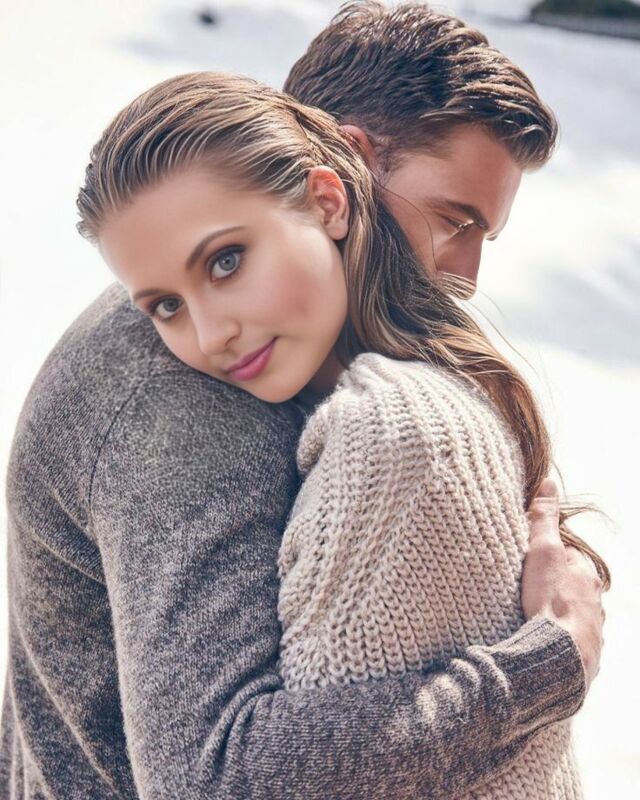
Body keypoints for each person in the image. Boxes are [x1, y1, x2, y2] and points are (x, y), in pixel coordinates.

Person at [0, 13, 605, 800]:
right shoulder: (192, 399)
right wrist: (544, 666)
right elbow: (209, 782)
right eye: (454, 220)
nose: (465, 276)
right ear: (341, 176)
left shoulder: (297, 341)